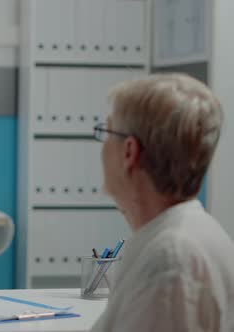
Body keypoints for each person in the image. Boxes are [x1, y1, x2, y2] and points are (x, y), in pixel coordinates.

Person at [90, 74, 234, 331]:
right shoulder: (187, 234)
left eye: (106, 132)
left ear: (129, 152)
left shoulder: (171, 260)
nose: (102, 147)